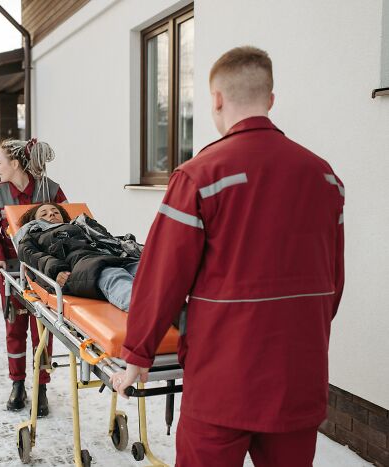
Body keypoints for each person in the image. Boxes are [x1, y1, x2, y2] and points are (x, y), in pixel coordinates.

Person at [110, 46, 345, 466]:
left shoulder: (201, 175)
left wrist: (137, 355)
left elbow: (162, 275)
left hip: (223, 383)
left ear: (216, 99)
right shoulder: (325, 178)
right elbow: (333, 282)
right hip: (299, 378)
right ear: (270, 100)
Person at [0, 138, 66, 416]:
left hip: (44, 271)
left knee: (43, 330)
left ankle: (41, 387)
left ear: (15, 164)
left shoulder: (50, 189)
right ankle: (17, 384)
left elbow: (67, 221)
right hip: (13, 272)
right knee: (14, 329)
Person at [16, 202, 141, 311]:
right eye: (44, 214)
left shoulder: (79, 226)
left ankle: (158, 303)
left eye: (56, 212)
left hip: (111, 258)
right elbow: (33, 256)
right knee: (113, 275)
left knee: (146, 269)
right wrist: (56, 270)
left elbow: (110, 241)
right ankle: (144, 310)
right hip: (81, 266)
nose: (52, 214)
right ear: (34, 221)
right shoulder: (33, 236)